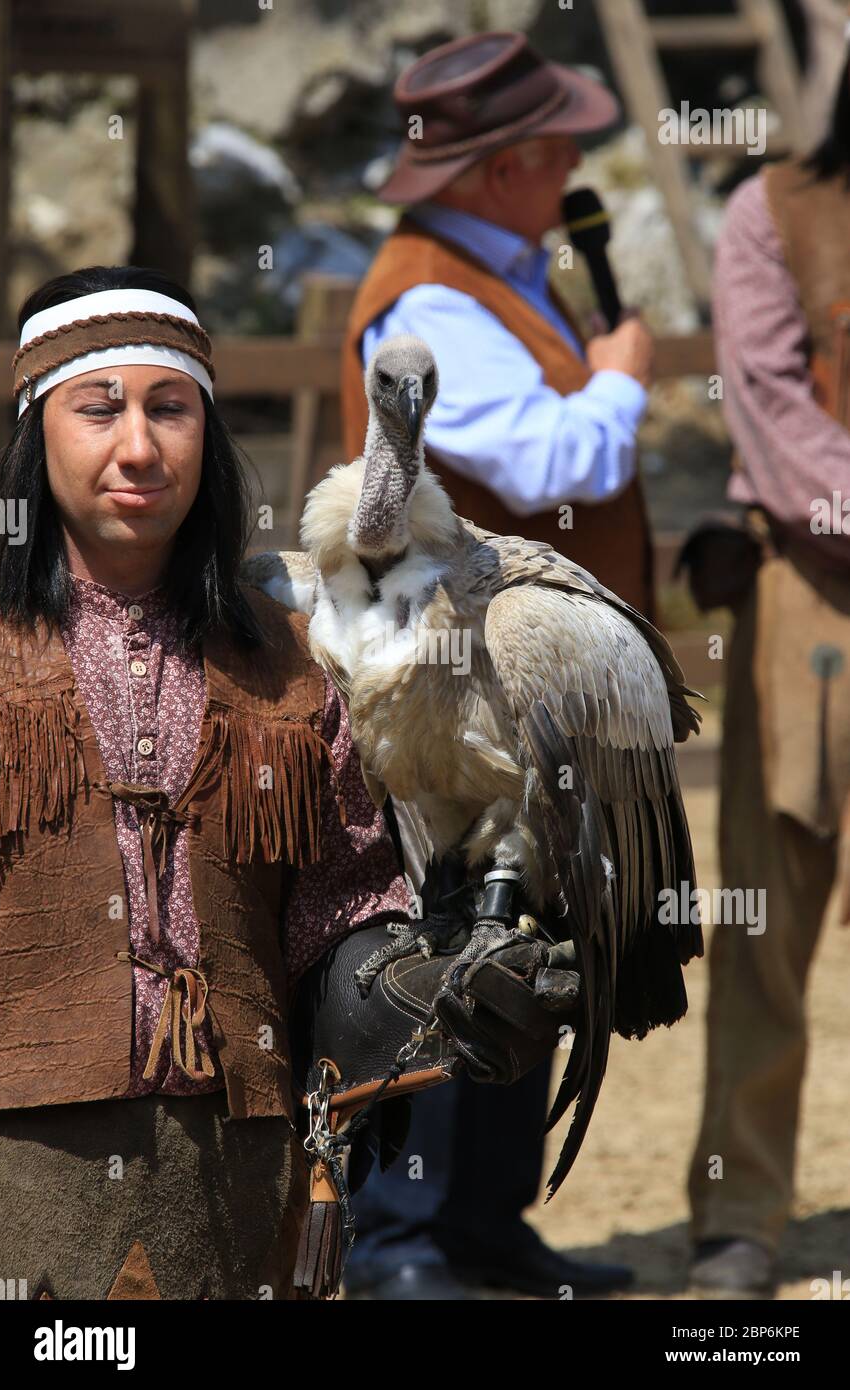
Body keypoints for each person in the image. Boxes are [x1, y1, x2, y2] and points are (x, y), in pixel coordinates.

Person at [0, 264, 417, 1300]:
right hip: (12, 1172)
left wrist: (414, 985)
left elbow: (345, 903)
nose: (138, 445)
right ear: (37, 437)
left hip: (240, 1168)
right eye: (99, 409)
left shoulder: (293, 663)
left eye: (169, 408)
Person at [339, 30, 655, 1300]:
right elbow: (551, 463)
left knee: (528, 937)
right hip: (442, 690)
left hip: (514, 692)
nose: (580, 160)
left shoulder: (505, 273)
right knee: (445, 945)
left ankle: (480, 1225)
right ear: (505, 165)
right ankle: (404, 1242)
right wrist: (625, 380)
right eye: (560, 144)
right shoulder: (430, 303)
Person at [686, 47, 850, 1297]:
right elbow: (764, 399)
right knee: (762, 913)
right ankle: (739, 1212)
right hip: (807, 580)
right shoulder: (773, 207)